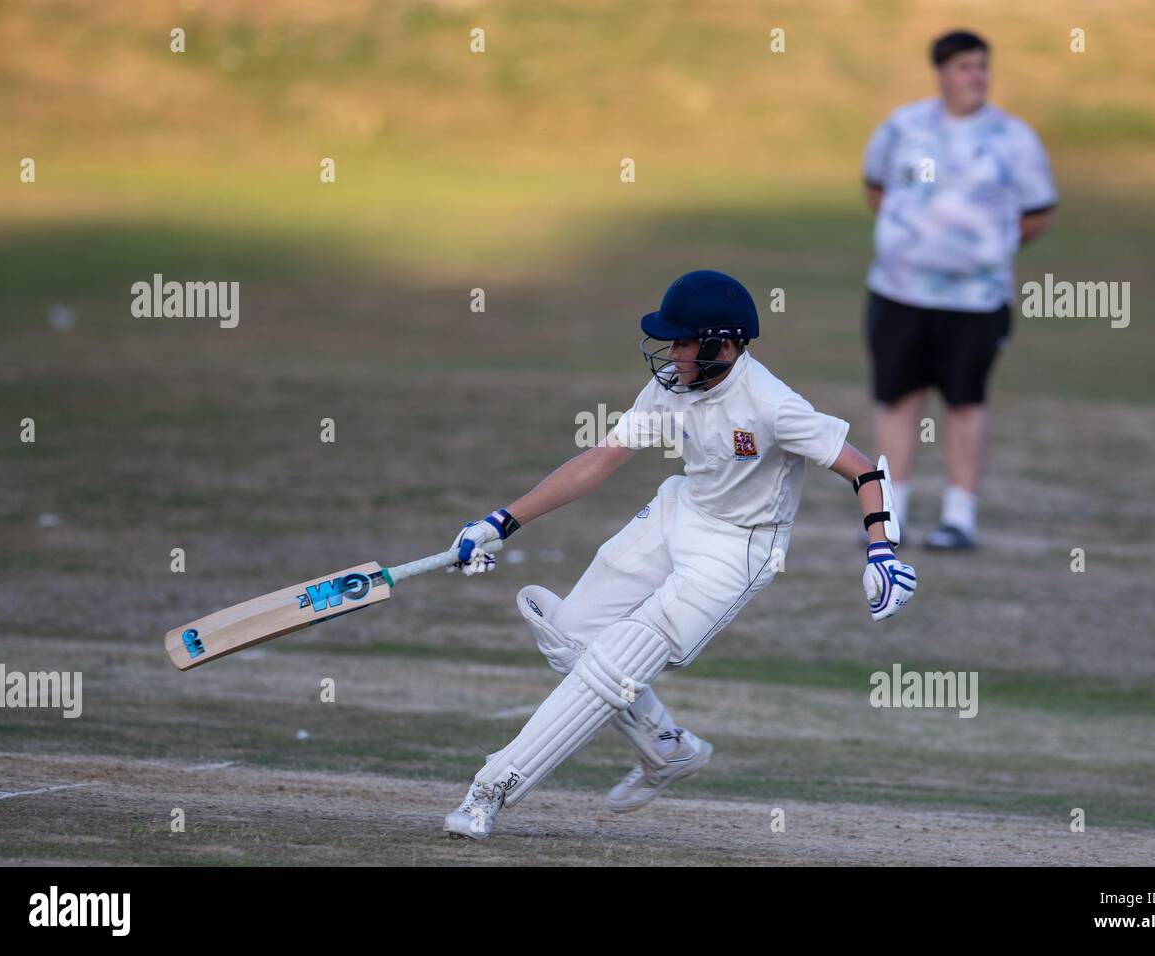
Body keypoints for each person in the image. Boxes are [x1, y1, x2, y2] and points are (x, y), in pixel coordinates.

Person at [440, 269, 917, 840]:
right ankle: (667, 748)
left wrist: (881, 552)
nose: (672, 353)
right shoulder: (672, 382)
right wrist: (501, 521)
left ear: (723, 343)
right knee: (570, 634)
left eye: (684, 342)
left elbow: (863, 469)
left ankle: (490, 788)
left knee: (614, 663)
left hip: (740, 548)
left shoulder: (773, 404)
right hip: (678, 512)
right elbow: (600, 458)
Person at [862, 29, 1057, 550]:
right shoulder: (903, 127)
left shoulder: (1013, 138)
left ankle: (958, 516)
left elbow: (1038, 213)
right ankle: (890, 512)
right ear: (942, 72)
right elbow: (875, 186)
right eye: (966, 67)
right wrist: (916, 240)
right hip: (899, 291)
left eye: (983, 67)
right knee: (898, 397)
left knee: (966, 401)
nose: (977, 76)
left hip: (975, 300)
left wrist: (983, 252)